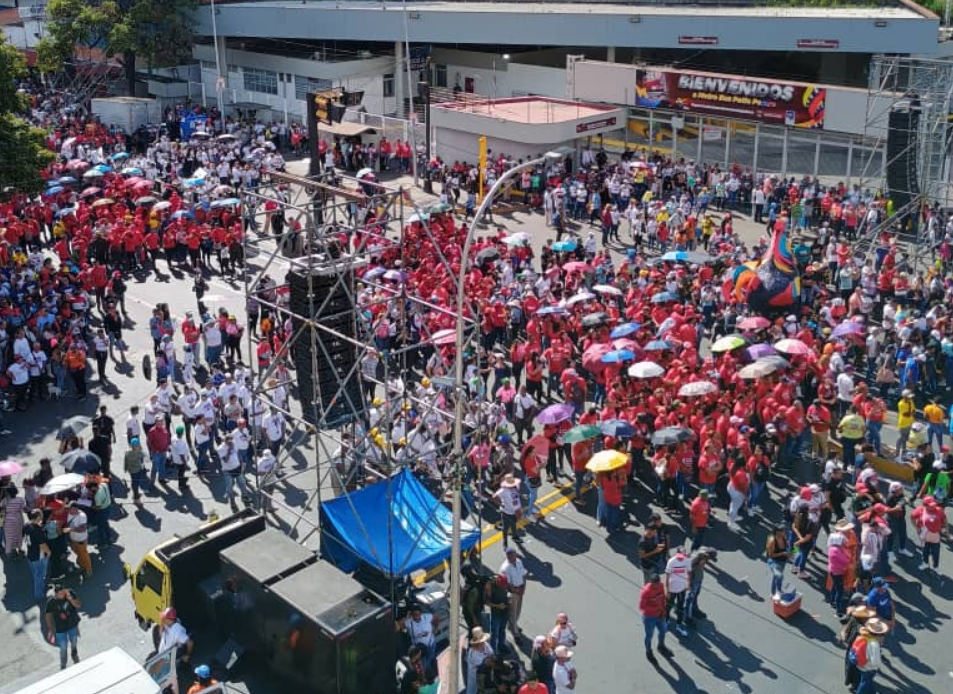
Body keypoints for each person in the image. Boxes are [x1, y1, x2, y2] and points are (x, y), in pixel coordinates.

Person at [639, 573, 673, 663]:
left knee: (663, 631)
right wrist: (655, 607)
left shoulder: (660, 585)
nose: (658, 585)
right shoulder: (646, 591)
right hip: (649, 617)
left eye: (659, 583)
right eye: (656, 584)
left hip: (660, 614)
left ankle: (661, 646)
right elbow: (642, 607)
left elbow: (662, 598)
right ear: (651, 582)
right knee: (649, 636)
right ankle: (648, 652)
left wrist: (664, 608)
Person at [45, 586, 81, 669]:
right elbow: (48, 615)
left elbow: (78, 605)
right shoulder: (51, 602)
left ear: (64, 591)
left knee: (74, 641)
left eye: (62, 593)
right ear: (55, 594)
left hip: (72, 625)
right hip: (60, 629)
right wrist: (50, 628)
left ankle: (74, 651)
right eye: (58, 594)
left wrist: (70, 599)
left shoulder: (70, 594)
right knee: (63, 647)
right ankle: (63, 665)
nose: (60, 595)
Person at [850, 618, 888, 694]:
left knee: (868, 681)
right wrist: (877, 667)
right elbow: (875, 662)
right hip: (869, 668)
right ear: (879, 635)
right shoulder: (874, 644)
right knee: (865, 682)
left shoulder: (863, 636)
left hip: (860, 664)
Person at [402, 605, 438, 678]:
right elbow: (400, 626)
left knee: (431, 659)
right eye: (415, 615)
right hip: (419, 651)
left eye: (418, 615)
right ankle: (428, 677)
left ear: (421, 613)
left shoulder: (427, 617)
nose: (417, 617)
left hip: (430, 644)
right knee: (424, 665)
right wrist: (407, 616)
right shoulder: (409, 622)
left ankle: (432, 674)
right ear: (412, 615)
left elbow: (436, 618)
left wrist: (435, 629)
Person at [500, 547, 528, 639]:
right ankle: (515, 633)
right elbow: (507, 584)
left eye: (514, 555)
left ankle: (513, 624)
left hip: (520, 589)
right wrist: (517, 591)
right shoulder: (505, 568)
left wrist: (523, 588)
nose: (513, 557)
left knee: (518, 610)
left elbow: (523, 574)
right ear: (508, 556)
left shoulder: (519, 562)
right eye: (511, 556)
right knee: (512, 612)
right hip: (513, 592)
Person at [911, 495, 944, 571]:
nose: (933, 507)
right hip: (923, 534)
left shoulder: (939, 509)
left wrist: (944, 529)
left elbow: (944, 519)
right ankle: (925, 563)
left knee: (935, 552)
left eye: (933, 505)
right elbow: (912, 517)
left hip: (935, 536)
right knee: (925, 550)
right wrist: (916, 527)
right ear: (925, 505)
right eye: (930, 506)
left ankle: (935, 567)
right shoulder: (919, 510)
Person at [25, 509, 51, 602]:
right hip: (38, 556)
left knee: (35, 573)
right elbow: (42, 545)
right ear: (38, 517)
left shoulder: (27, 525)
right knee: (39, 576)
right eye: (41, 516)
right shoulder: (37, 529)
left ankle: (40, 586)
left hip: (30, 554)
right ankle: (39, 595)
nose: (42, 517)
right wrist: (48, 552)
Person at [685, 547, 716, 626]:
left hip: (699, 579)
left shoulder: (704, 553)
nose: (709, 560)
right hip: (693, 581)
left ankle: (694, 610)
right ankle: (687, 618)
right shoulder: (697, 557)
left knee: (695, 596)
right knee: (690, 600)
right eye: (709, 558)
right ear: (707, 554)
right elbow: (688, 567)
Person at [664, 546, 691, 636]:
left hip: (682, 589)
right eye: (680, 555)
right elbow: (667, 577)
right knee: (668, 607)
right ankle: (666, 622)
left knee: (680, 608)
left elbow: (689, 572)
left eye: (683, 555)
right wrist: (667, 591)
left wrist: (688, 584)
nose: (681, 557)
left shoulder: (687, 561)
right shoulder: (671, 561)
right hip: (672, 589)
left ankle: (678, 625)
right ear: (677, 554)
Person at [493, 474, 523, 548]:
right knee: (505, 528)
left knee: (514, 525)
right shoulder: (503, 490)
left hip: (515, 511)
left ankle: (515, 536)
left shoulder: (516, 487)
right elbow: (494, 496)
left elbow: (518, 494)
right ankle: (505, 542)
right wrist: (500, 504)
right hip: (506, 512)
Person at [65, 502, 92, 579]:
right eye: (69, 508)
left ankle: (88, 569)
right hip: (73, 539)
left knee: (84, 554)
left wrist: (71, 529)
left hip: (81, 539)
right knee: (79, 553)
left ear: (76, 509)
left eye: (70, 509)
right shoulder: (69, 513)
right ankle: (82, 565)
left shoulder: (82, 516)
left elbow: (83, 529)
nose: (69, 510)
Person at [766, 525, 792, 599]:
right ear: (777, 532)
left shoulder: (783, 537)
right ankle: (777, 592)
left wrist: (794, 549)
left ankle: (773, 592)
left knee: (776, 577)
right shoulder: (772, 541)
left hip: (783, 561)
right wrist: (783, 553)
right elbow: (770, 555)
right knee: (779, 576)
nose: (784, 532)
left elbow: (789, 550)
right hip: (773, 562)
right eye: (782, 530)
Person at [465, 627, 493, 694]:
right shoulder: (473, 653)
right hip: (474, 674)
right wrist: (489, 658)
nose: (483, 642)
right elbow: (486, 662)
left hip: (485, 674)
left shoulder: (485, 645)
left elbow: (491, 653)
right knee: (472, 690)